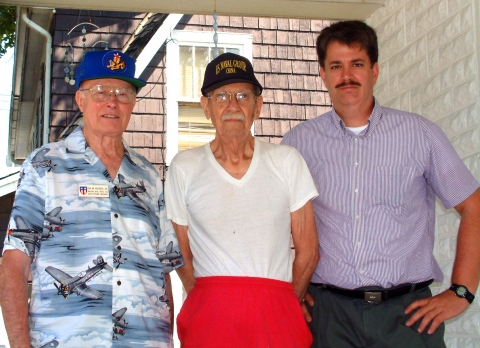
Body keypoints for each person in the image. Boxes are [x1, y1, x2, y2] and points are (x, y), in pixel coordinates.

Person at [282, 20, 480, 347]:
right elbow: (275, 226)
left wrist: (462, 291)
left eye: (357, 64)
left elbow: (473, 205)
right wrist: (291, 291)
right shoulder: (298, 144)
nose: (347, 75)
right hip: (330, 316)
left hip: (407, 316)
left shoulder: (420, 134)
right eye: (336, 66)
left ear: (374, 71)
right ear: (323, 74)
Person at [0, 50, 183, 347]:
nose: (113, 102)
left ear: (134, 103)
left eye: (124, 93)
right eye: (101, 92)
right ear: (80, 100)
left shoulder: (149, 177)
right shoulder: (44, 165)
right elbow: (13, 265)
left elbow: (163, 272)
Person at [164, 52, 319, 347]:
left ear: (257, 106)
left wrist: (288, 300)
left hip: (276, 311)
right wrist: (208, 301)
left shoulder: (287, 161)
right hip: (210, 314)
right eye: (221, 96)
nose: (232, 106)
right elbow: (180, 253)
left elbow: (309, 251)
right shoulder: (184, 167)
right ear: (206, 107)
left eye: (243, 95)